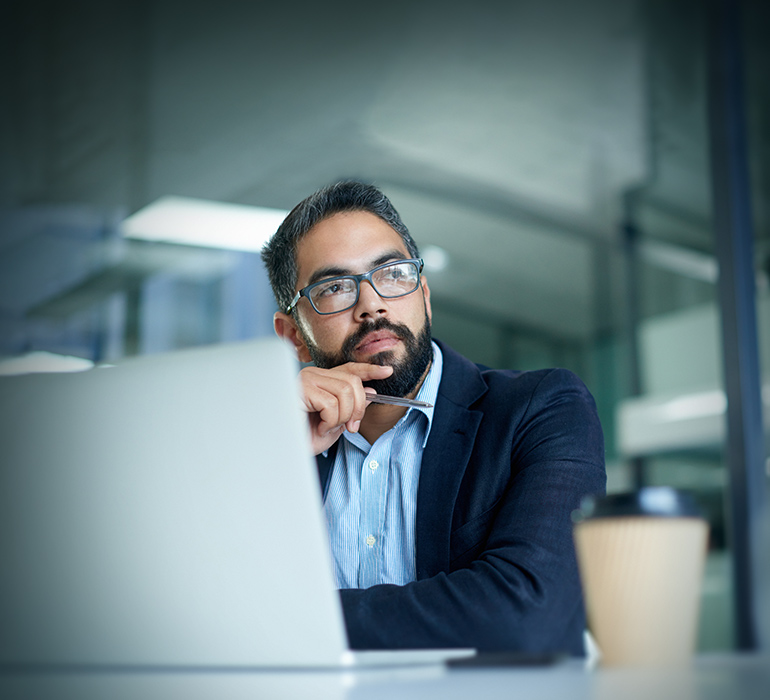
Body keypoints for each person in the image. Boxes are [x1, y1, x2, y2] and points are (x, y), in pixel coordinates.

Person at [261, 181, 606, 654]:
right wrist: (276, 455)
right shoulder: (269, 445)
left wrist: (283, 622)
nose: (372, 305)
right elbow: (193, 613)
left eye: (393, 273)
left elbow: (528, 618)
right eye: (335, 287)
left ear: (423, 294)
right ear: (292, 336)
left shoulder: (542, 408)